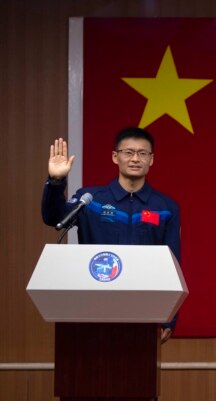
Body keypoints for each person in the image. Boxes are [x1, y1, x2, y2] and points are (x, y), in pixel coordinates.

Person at [41, 126, 181, 342]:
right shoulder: (90, 199)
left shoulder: (166, 207)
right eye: (128, 152)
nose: (135, 159)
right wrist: (56, 182)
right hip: (91, 306)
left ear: (151, 160)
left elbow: (174, 264)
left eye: (142, 153)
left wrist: (169, 317)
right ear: (115, 157)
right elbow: (53, 218)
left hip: (145, 310)